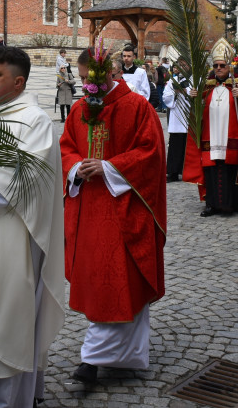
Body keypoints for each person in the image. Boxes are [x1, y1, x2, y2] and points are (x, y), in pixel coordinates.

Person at [62, 47, 166, 382]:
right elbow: (66, 147)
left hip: (124, 209)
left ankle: (92, 360)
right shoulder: (78, 109)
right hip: (88, 210)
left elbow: (150, 153)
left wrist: (109, 166)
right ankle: (122, 355)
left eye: (90, 80)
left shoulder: (137, 107)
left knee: (121, 281)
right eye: (81, 81)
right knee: (98, 283)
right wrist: (77, 167)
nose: (86, 88)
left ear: (109, 74)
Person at [0, 46, 63, 408]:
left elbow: (20, 182)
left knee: (7, 315)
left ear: (18, 82)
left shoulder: (34, 121)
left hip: (14, 236)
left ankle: (8, 400)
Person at [183, 44, 238, 217]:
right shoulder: (206, 87)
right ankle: (211, 204)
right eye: (216, 66)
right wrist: (194, 99)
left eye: (222, 65)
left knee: (229, 170)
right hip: (210, 136)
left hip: (232, 137)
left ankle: (231, 204)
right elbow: (197, 113)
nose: (218, 69)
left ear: (230, 67)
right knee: (211, 170)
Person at [162, 59, 191, 183]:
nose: (182, 67)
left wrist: (186, 92)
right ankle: (173, 172)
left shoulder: (195, 79)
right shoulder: (172, 81)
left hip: (191, 117)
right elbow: (165, 96)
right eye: (180, 65)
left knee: (189, 147)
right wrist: (175, 91)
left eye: (184, 65)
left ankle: (189, 172)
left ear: (189, 66)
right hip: (177, 117)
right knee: (175, 146)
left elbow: (199, 94)